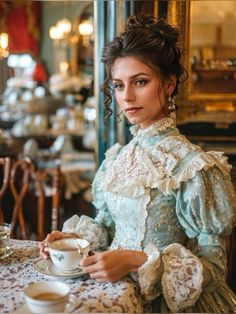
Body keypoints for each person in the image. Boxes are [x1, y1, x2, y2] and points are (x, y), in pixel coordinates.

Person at [39, 14, 236, 313]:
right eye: (118, 85)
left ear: (169, 84)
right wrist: (73, 241)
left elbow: (214, 269)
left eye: (140, 82)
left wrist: (136, 260)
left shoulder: (193, 166)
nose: (127, 96)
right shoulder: (117, 158)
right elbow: (106, 226)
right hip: (114, 295)